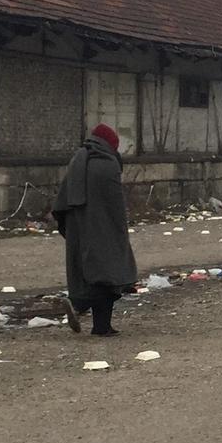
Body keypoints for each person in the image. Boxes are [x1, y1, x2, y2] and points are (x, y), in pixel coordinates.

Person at [52, 124, 138, 337]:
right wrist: (120, 232)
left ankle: (99, 324)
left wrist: (69, 225)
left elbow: (62, 199)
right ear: (111, 144)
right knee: (110, 277)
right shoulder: (107, 164)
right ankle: (82, 307)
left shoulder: (78, 160)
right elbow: (115, 205)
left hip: (78, 227)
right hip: (104, 229)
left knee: (89, 274)